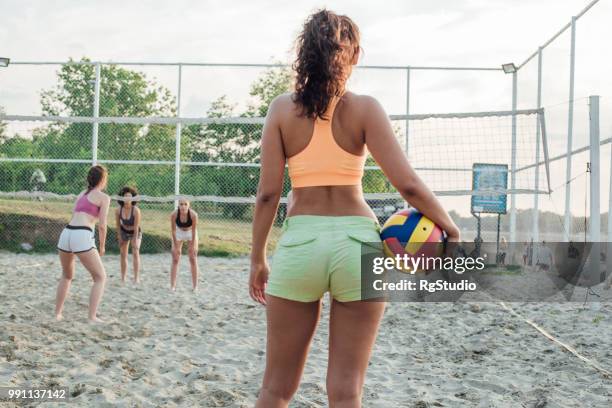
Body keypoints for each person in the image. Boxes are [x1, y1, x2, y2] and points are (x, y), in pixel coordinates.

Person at [249, 9, 460, 408]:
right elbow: (409, 185)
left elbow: (267, 194)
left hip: (301, 245)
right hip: (359, 246)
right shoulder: (365, 108)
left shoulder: (280, 110)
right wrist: (449, 227)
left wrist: (257, 256)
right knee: (347, 390)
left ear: (304, 54)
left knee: (276, 389)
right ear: (355, 55)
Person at [55, 165, 110, 322]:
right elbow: (102, 225)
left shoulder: (81, 194)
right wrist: (102, 245)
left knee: (66, 275)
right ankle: (92, 317)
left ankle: (57, 314)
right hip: (81, 234)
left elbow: (74, 215)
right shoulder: (104, 198)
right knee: (100, 277)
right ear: (103, 179)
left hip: (67, 233)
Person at [170, 198, 199, 291]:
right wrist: (176, 246)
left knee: (193, 257)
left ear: (189, 205)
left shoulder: (193, 215)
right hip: (179, 232)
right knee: (175, 258)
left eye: (185, 204)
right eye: (181, 204)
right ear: (178, 205)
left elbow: (194, 231)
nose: (183, 206)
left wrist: (192, 246)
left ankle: (195, 287)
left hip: (190, 232)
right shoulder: (174, 215)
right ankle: (172, 286)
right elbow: (173, 231)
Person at [115, 186, 142, 284]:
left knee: (135, 252)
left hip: (135, 232)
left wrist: (134, 240)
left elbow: (136, 227)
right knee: (123, 254)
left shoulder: (136, 210)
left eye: (130, 196)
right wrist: (119, 237)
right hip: (124, 231)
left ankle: (136, 278)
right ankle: (123, 278)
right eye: (125, 196)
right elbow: (118, 226)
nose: (127, 198)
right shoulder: (118, 210)